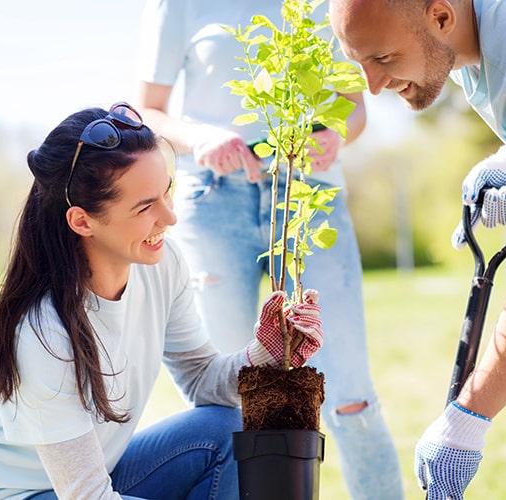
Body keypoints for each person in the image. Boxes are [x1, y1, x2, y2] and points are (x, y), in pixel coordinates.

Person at [0, 103, 324, 499]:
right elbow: (88, 495)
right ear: (82, 221)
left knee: (225, 430)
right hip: (15, 494)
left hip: (89, 483)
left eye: (165, 192)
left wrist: (265, 353)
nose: (169, 218)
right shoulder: (43, 334)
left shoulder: (161, 264)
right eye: (145, 207)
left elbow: (202, 379)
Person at [134, 0, 405, 497]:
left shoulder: (331, 5)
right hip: (214, 201)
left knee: (350, 397)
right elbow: (145, 110)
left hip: (310, 197)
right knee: (228, 400)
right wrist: (198, 137)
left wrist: (334, 134)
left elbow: (355, 105)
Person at [328, 0, 506, 497]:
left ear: (440, 17)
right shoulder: (465, 50)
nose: (372, 85)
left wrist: (466, 421)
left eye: (382, 58)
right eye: (357, 61)